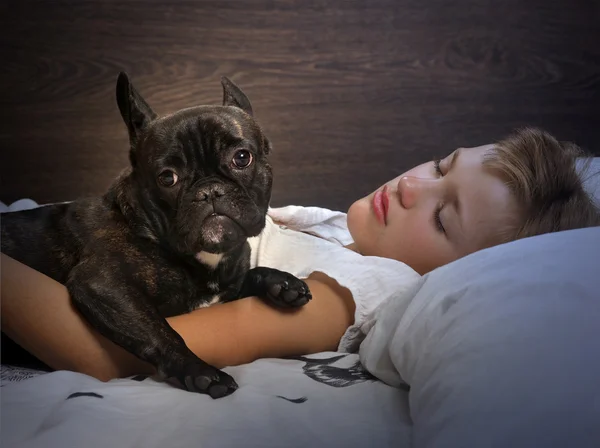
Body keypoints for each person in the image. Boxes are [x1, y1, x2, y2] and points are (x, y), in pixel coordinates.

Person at [2, 127, 599, 383]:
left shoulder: (359, 290)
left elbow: (112, 354)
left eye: (443, 218)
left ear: (462, 277)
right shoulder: (337, 230)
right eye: (443, 165)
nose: (413, 186)